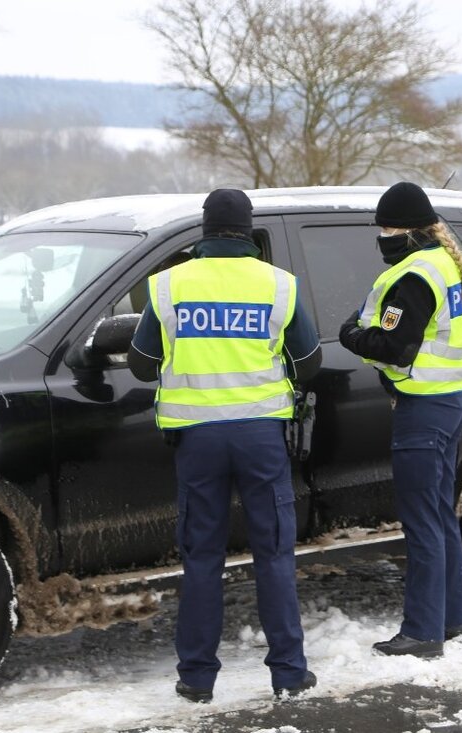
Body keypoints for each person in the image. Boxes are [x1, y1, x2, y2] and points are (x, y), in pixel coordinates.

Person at [127, 188, 322, 703]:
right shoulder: (281, 286)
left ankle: (195, 678)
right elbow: (309, 364)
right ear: (248, 230)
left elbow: (142, 364)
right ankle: (288, 671)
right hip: (261, 437)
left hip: (197, 441)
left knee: (203, 558)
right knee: (274, 553)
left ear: (205, 231)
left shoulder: (168, 286)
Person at [338, 182, 462, 659]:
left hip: (423, 408)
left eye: (387, 227)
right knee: (441, 515)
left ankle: (422, 633)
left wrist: (353, 336)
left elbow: (396, 346)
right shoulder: (450, 262)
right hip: (451, 400)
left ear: (407, 229)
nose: (382, 235)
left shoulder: (416, 276)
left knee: (422, 522)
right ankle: (451, 620)